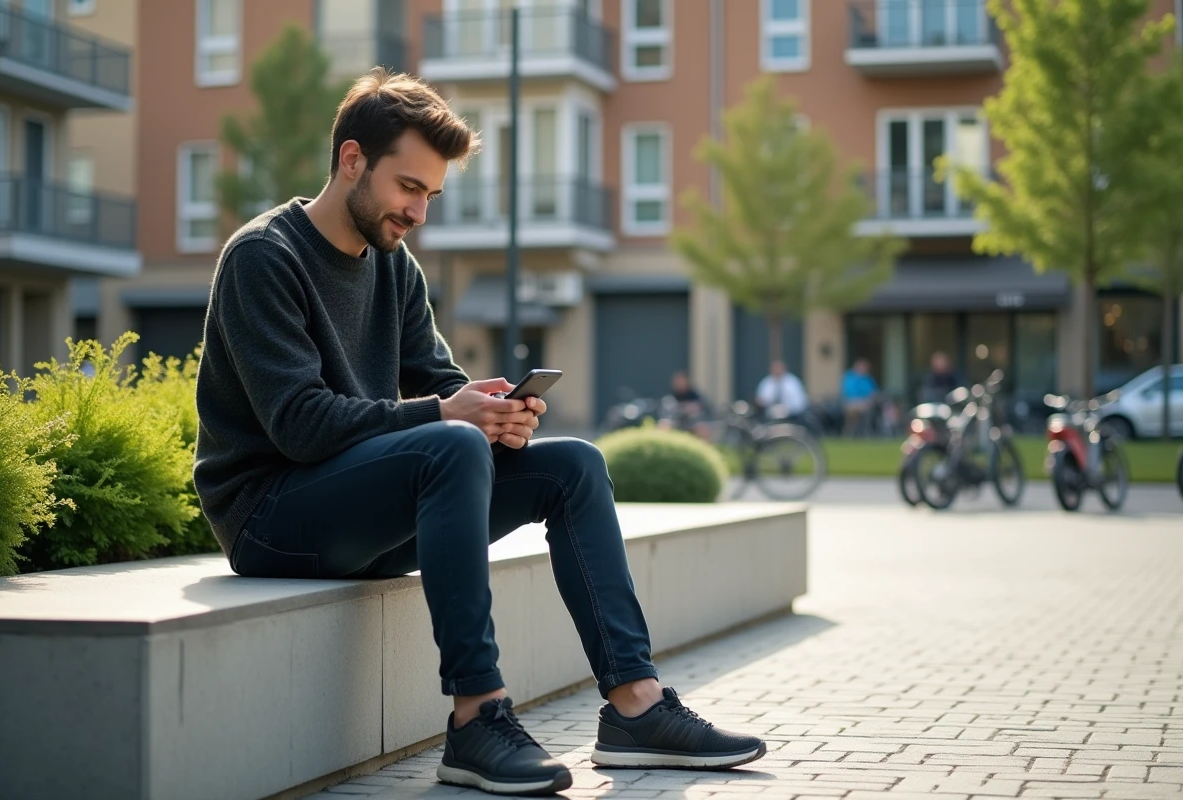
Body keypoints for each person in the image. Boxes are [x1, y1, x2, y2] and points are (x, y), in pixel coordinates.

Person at [192, 70, 764, 797]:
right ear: (351, 160)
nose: (418, 212)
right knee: (453, 440)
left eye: (430, 196)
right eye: (408, 187)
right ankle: (477, 718)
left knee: (574, 465)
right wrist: (449, 417)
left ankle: (636, 707)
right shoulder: (264, 257)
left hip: (361, 515)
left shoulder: (394, 267)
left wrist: (497, 413)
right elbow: (301, 425)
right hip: (270, 519)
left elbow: (439, 381)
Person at [659, 370, 712, 440]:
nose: (680, 384)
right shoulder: (670, 396)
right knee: (663, 426)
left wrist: (693, 409)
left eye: (682, 381)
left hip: (692, 423)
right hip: (675, 422)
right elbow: (667, 412)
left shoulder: (695, 396)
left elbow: (705, 410)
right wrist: (682, 408)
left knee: (704, 430)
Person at [841, 357, 879, 436]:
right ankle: (849, 433)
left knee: (867, 410)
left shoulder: (868, 379)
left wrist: (869, 399)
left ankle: (865, 432)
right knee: (853, 413)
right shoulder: (849, 377)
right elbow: (848, 392)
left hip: (865, 403)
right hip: (851, 402)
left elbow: (873, 392)